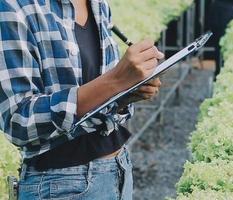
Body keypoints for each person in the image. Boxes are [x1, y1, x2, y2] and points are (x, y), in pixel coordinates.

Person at [0, 0, 164, 199]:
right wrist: (116, 79)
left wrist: (125, 94)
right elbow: (18, 120)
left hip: (118, 169)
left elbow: (97, 97)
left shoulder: (98, 4)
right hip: (59, 184)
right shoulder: (13, 6)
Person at [209, 0, 233, 80]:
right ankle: (221, 76)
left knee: (220, 47)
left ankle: (220, 75)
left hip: (222, 9)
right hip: (228, 11)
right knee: (223, 47)